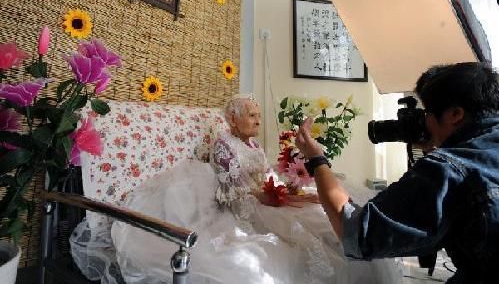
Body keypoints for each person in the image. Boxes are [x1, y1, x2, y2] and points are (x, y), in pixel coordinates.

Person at [71, 94, 403, 284]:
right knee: (297, 236)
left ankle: (358, 243)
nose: (258, 120)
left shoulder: (254, 145)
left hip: (265, 196)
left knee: (318, 212)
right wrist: (270, 196)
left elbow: (264, 177)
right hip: (244, 206)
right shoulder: (223, 145)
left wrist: (284, 189)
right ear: (233, 120)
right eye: (252, 116)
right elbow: (230, 192)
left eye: (259, 115)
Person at [295, 62, 499, 284]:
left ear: (455, 113)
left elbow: (358, 233)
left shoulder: (449, 169)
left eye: (428, 112)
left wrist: (316, 159)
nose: (425, 121)